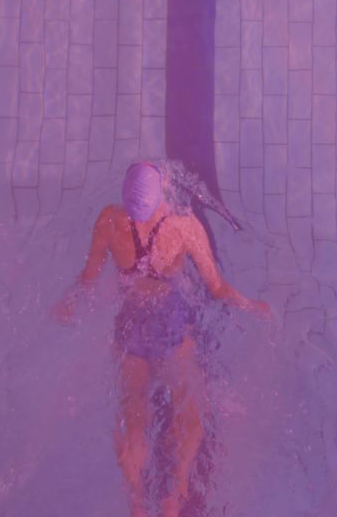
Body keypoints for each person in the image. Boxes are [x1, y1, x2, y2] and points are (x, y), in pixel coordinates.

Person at [53, 161, 270, 517]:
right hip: (170, 326)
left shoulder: (109, 220)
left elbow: (89, 278)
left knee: (133, 408)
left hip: (130, 324)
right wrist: (250, 304)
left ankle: (136, 499)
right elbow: (217, 288)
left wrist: (68, 303)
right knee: (190, 407)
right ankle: (177, 492)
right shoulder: (184, 226)